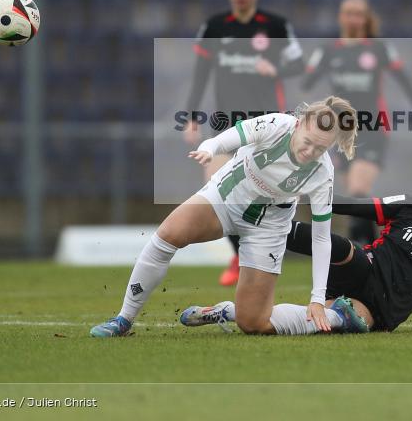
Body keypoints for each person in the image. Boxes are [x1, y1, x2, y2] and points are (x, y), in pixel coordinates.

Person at [91, 97, 369, 337]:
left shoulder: (322, 174)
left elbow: (321, 239)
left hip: (268, 228)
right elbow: (232, 136)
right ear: (299, 124)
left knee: (254, 323)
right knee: (168, 235)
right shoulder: (276, 125)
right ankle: (123, 319)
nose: (310, 152)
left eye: (320, 149)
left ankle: (334, 316)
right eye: (308, 142)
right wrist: (210, 148)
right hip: (225, 198)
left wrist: (318, 299)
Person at [181, 170, 412, 333]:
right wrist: (319, 200)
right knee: (344, 249)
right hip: (363, 268)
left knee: (321, 321)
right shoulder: (411, 208)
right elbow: (359, 208)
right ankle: (252, 222)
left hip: (379, 313)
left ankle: (227, 312)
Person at [183, 0, 304, 286]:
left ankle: (259, 253)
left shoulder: (275, 26)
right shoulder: (215, 26)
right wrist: (192, 115)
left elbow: (300, 64)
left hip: (267, 123)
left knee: (259, 192)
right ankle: (239, 256)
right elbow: (200, 74)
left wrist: (274, 68)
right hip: (224, 121)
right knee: (216, 188)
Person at [302, 0, 412, 246]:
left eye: (358, 14)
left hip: (372, 127)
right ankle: (372, 252)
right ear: (341, 17)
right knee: (355, 199)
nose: (353, 19)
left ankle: (360, 251)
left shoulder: (378, 48)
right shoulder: (329, 49)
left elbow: (405, 80)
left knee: (358, 191)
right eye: (348, 13)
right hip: (341, 131)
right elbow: (307, 81)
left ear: (366, 18)